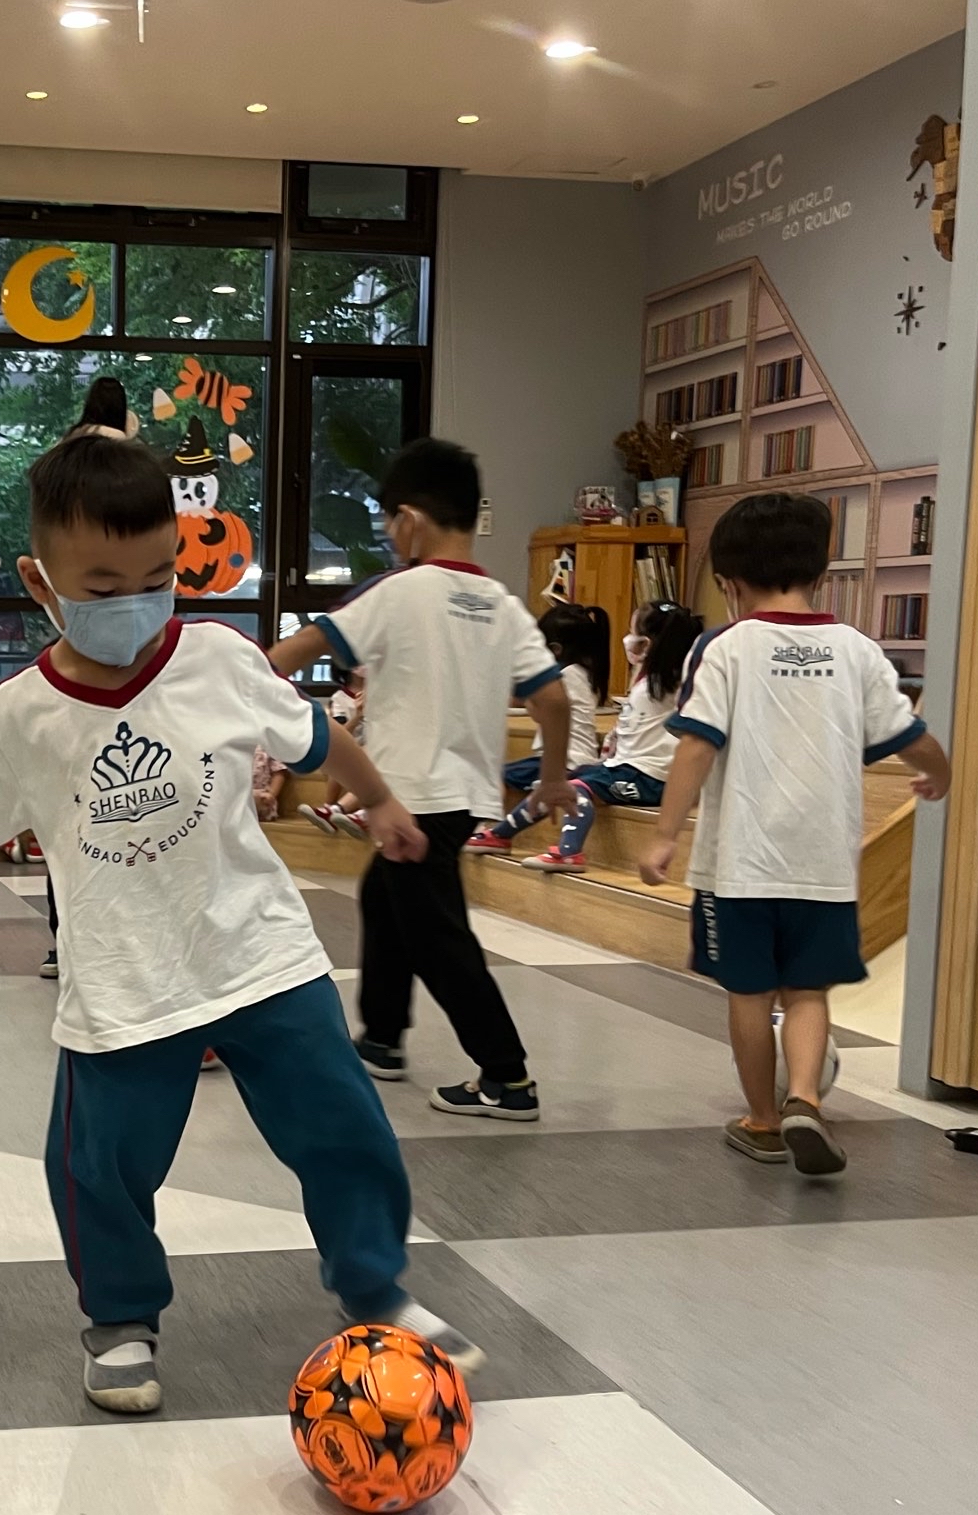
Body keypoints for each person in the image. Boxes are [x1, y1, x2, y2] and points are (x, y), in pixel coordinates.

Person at [0, 382, 483, 1414]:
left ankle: (375, 1286)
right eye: (103, 585)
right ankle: (120, 1318)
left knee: (345, 1129)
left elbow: (316, 738)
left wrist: (379, 803)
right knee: (97, 1167)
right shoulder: (21, 713)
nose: (136, 603)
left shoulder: (218, 657)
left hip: (258, 951)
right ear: (40, 581)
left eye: (158, 578)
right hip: (124, 978)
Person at [638, 492, 949, 1175]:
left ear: (728, 581)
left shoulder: (724, 647)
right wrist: (940, 774)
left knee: (749, 993)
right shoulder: (858, 650)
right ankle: (805, 1096)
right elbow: (910, 735)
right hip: (825, 866)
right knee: (808, 991)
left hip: (739, 866)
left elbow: (697, 745)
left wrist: (664, 834)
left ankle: (763, 1120)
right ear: (821, 571)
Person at [267, 438, 571, 1122]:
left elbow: (301, 649)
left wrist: (236, 677)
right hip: (462, 797)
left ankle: (507, 1076)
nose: (387, 535)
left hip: (413, 800)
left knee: (439, 939)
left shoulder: (398, 592)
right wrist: (552, 780)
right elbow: (552, 699)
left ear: (408, 520)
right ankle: (381, 1038)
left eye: (386, 522)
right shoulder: (501, 603)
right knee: (384, 897)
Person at [493, 598, 701, 874]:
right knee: (561, 783)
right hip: (628, 769)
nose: (627, 640)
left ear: (645, 645)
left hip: (648, 778)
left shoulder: (669, 683)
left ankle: (568, 851)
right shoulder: (649, 681)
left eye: (632, 633)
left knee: (575, 789)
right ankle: (499, 834)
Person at [465, 600, 609, 858]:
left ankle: (485, 827)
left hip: (567, 759)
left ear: (554, 650)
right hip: (573, 758)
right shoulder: (583, 674)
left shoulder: (566, 677)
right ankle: (490, 828)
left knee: (491, 774)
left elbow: (539, 711)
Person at [297, 669, 370, 836]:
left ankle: (341, 810)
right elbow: (340, 734)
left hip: (375, 749)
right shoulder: (339, 698)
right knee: (341, 755)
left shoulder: (380, 693)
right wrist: (358, 715)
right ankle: (330, 807)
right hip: (352, 748)